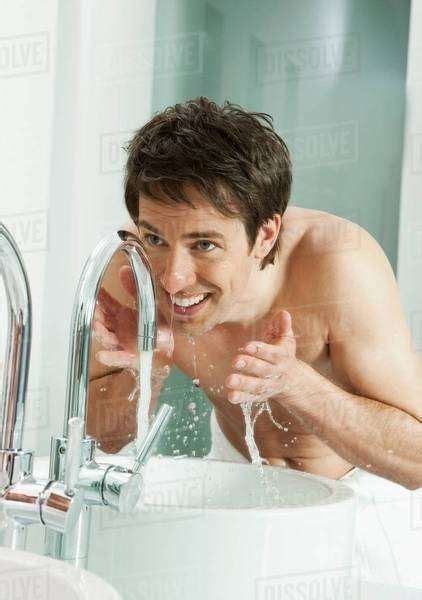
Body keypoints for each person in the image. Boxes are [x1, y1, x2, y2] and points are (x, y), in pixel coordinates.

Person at [92, 97, 422, 583]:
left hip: (366, 506)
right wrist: (145, 369)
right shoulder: (132, 276)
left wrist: (294, 383)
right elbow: (104, 441)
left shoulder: (338, 265)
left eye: (204, 245)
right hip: (240, 493)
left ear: (265, 236)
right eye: (156, 238)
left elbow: (416, 460)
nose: (174, 278)